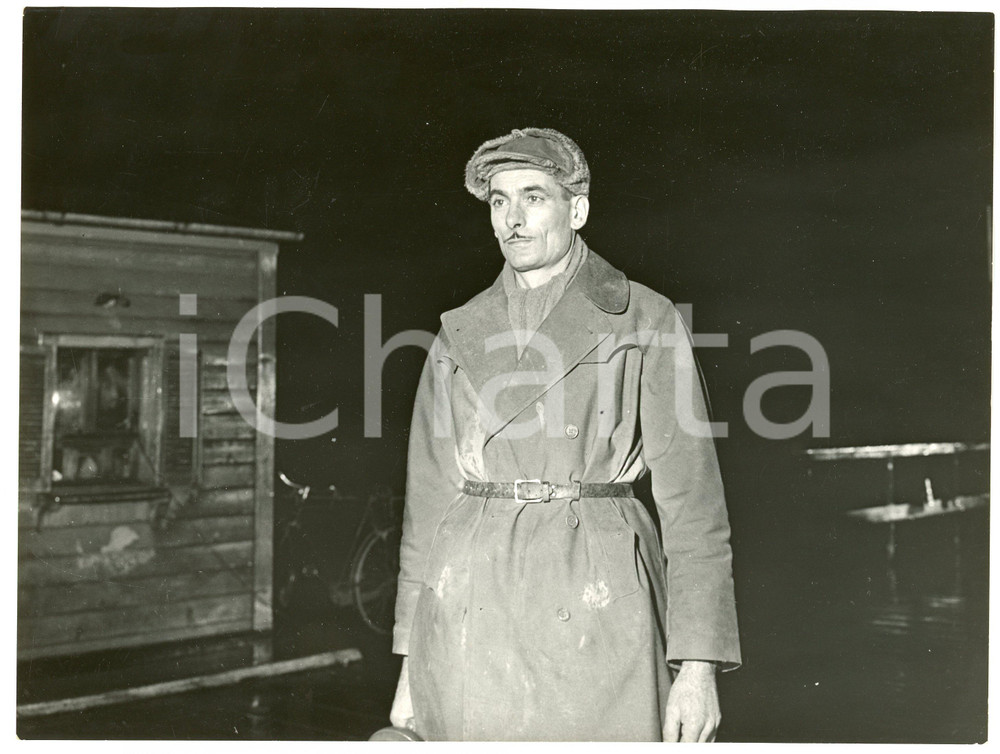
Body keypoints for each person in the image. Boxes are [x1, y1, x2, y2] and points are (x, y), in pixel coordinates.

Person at [389, 127, 741, 741]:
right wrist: (408, 664)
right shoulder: (457, 333)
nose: (513, 220)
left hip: (601, 596)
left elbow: (694, 509)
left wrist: (698, 667)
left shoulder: (643, 319)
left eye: (534, 197)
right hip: (473, 606)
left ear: (576, 209)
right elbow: (427, 508)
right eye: (499, 201)